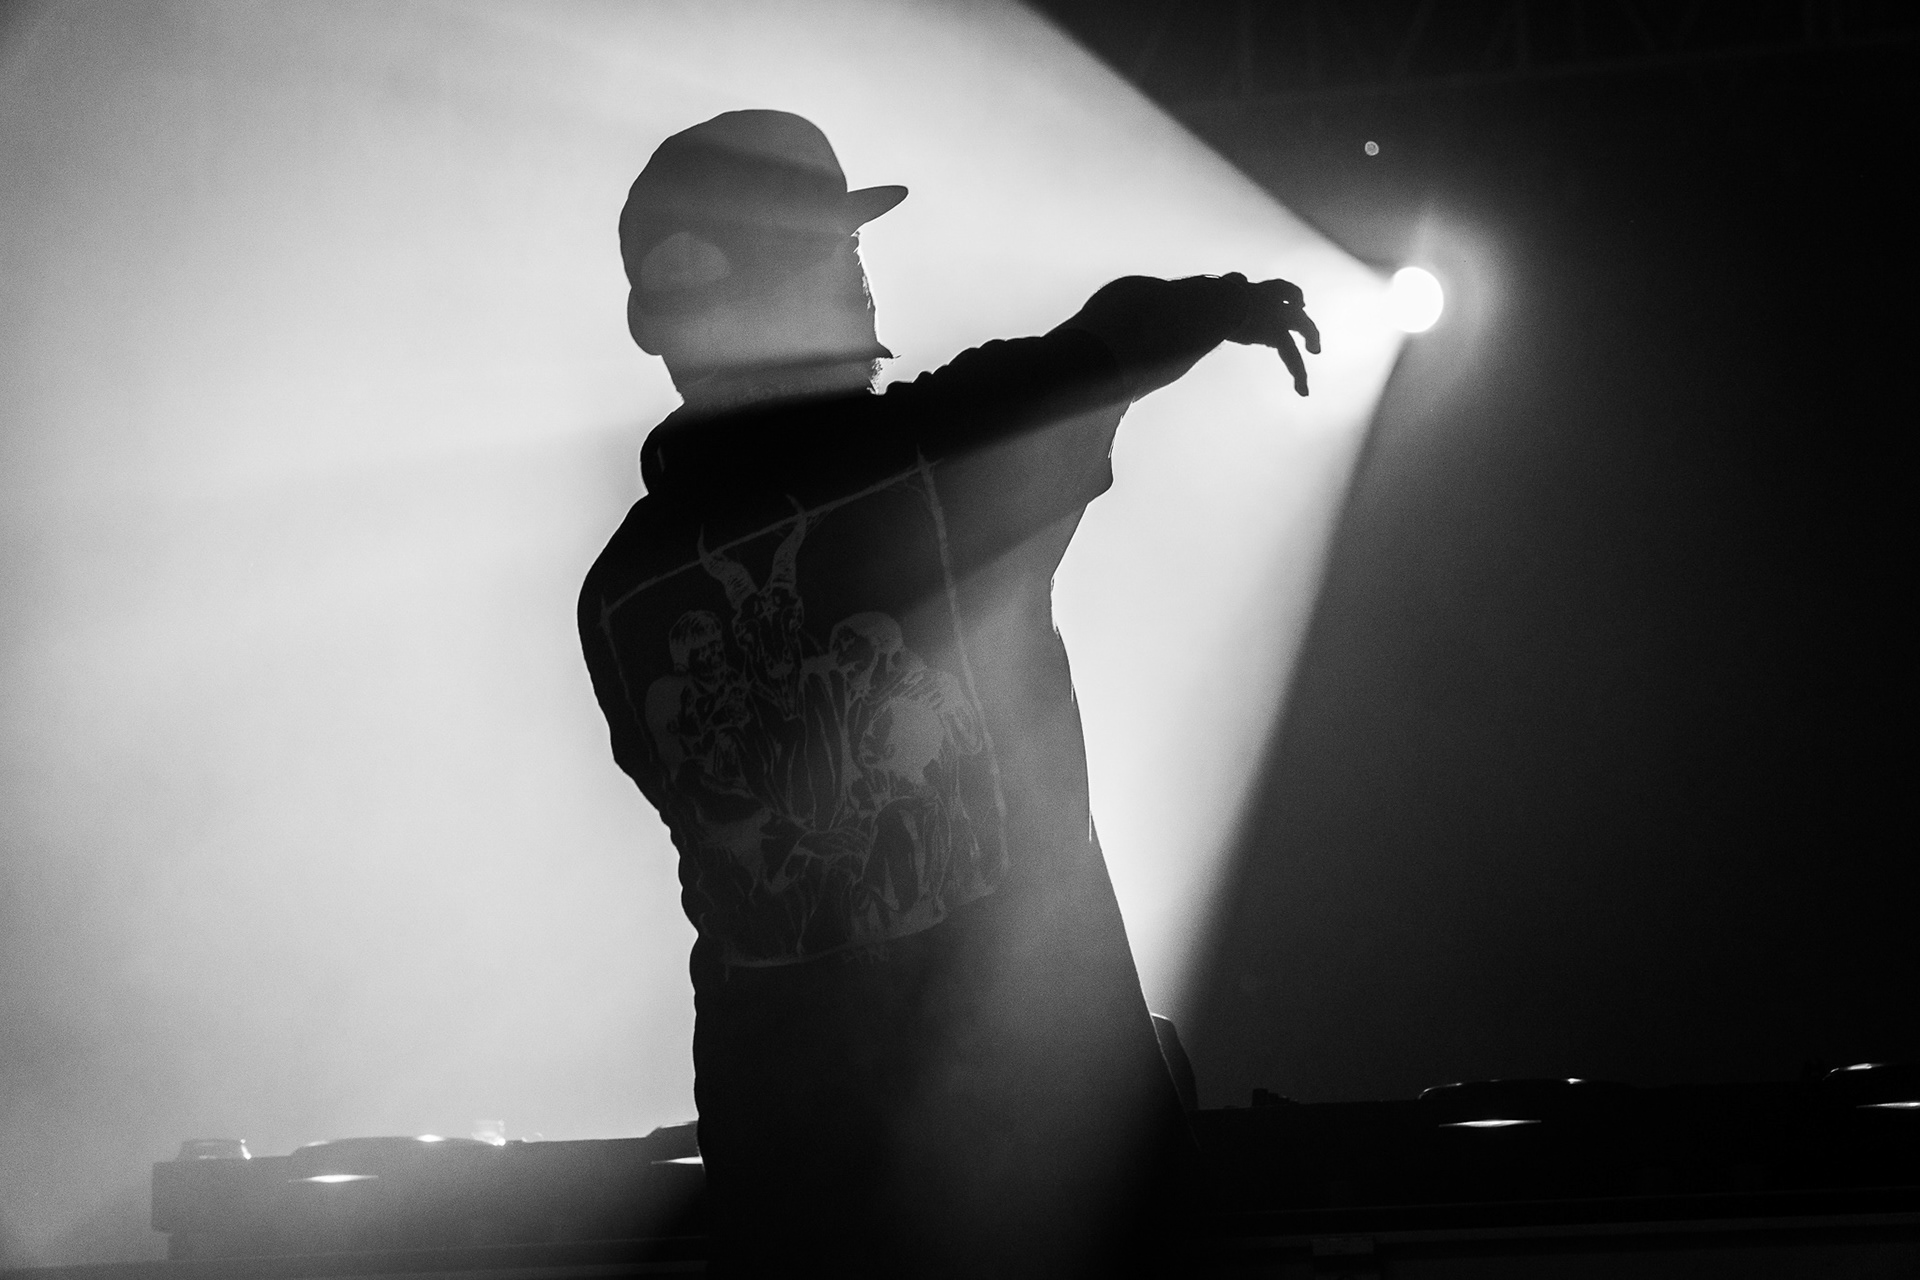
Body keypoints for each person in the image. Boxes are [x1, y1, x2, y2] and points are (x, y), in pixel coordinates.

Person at [578, 109, 1319, 1277]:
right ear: (772, 292)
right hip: (1050, 1183)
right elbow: (1115, 336)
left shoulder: (618, 596)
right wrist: (1227, 301)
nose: (859, 271)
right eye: (831, 248)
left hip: (797, 1203)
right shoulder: (939, 464)